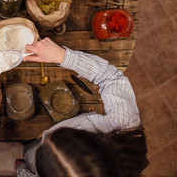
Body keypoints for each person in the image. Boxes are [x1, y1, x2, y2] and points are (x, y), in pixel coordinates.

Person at [16, 37, 148, 177]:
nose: (48, 136)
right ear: (95, 141)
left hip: (33, 163)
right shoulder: (125, 128)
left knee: (30, 153)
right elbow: (112, 78)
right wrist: (62, 56)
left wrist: (22, 171)